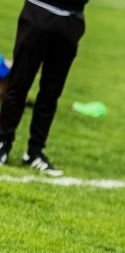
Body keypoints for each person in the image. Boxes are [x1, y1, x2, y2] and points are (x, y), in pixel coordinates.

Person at [0, 0, 88, 177]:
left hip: (72, 19)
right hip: (39, 10)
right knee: (19, 84)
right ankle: (3, 142)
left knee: (51, 92)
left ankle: (35, 152)